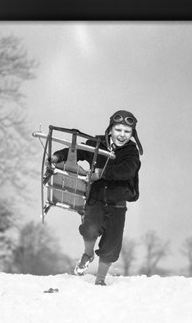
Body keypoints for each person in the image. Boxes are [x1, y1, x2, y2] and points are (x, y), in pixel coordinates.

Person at [48, 110, 142, 286]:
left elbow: (128, 170)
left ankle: (100, 280)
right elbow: (77, 152)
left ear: (132, 134)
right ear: (110, 129)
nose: (122, 135)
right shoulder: (97, 144)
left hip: (117, 204)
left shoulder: (131, 152)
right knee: (90, 229)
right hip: (96, 200)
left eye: (127, 131)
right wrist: (58, 156)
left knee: (111, 245)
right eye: (118, 130)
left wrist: (103, 173)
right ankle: (88, 254)